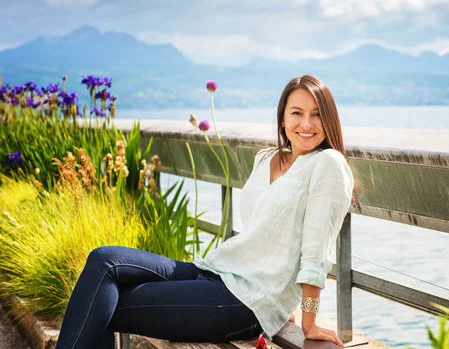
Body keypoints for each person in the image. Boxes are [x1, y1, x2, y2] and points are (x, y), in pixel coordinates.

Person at [56, 75, 355, 349]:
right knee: (103, 260)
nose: (306, 124)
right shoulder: (268, 158)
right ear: (282, 119)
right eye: (297, 113)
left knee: (97, 303)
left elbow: (315, 252)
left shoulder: (328, 164)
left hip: (243, 302)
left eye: (316, 114)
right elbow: (265, 236)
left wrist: (308, 320)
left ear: (328, 119)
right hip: (215, 272)